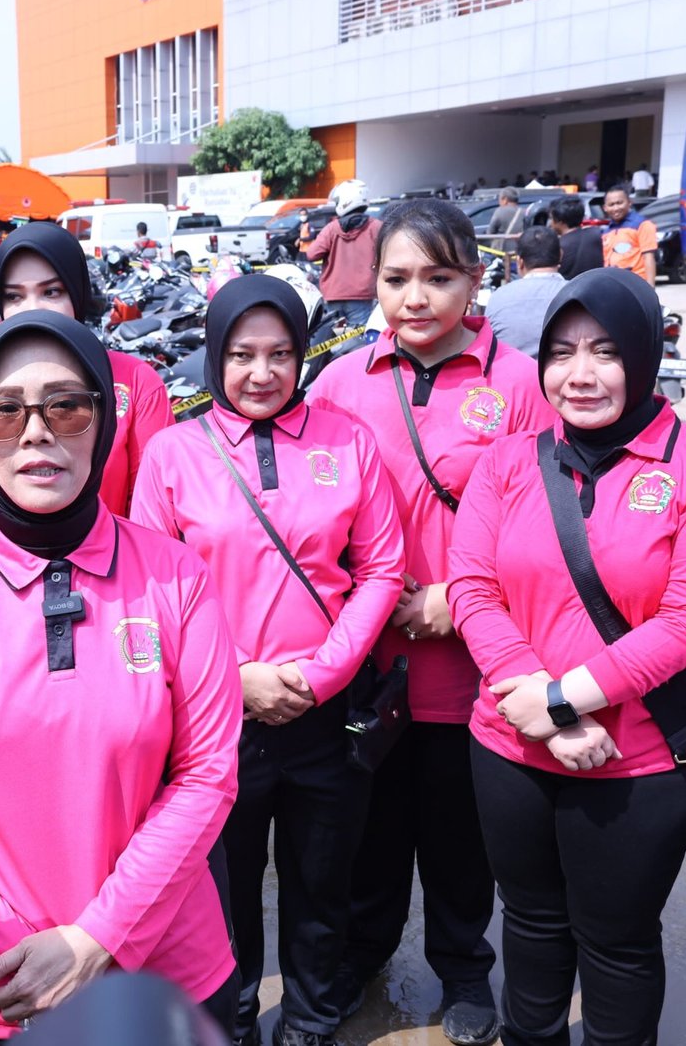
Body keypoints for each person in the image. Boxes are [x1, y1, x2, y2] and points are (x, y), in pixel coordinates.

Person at [0, 311, 242, 1043]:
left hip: (165, 980)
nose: (36, 432)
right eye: (4, 411)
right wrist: (18, 957)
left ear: (103, 421)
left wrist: (98, 940)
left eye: (65, 406)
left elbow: (207, 776)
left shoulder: (177, 578)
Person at [447, 268, 686, 1046]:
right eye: (561, 352)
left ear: (645, 355)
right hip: (511, 745)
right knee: (529, 921)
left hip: (640, 760)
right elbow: (473, 590)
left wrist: (566, 699)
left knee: (616, 944)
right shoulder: (507, 462)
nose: (579, 374)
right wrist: (542, 706)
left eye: (606, 351)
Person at [131, 275, 405, 1046]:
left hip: (328, 713)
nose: (262, 373)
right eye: (242, 355)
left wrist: (321, 676)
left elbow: (382, 569)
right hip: (215, 721)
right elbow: (149, 591)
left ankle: (311, 1021)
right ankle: (237, 1020)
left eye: (280, 354)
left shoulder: (347, 440)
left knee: (322, 885)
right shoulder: (173, 453)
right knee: (224, 892)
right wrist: (235, 679)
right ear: (214, 355)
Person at [309, 200, 554, 1046]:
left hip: (475, 666)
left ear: (476, 280)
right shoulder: (339, 383)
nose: (416, 298)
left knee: (460, 841)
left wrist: (459, 595)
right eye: (397, 278)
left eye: (439, 277)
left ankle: (463, 970)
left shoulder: (519, 384)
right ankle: (362, 955)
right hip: (368, 664)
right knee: (369, 834)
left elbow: (550, 520)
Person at [0, 222, 175, 534]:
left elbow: (152, 509)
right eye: (15, 296)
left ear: (77, 294)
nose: (32, 308)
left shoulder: (136, 380)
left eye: (51, 292)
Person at [485, 227, 567, 357]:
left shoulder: (498, 297)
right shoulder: (576, 293)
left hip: (510, 369)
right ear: (561, 255)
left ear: (519, 262)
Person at [308, 186, 382, 328]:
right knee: (357, 337)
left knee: (332, 336)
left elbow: (312, 253)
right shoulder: (376, 227)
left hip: (333, 293)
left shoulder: (331, 229)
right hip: (362, 294)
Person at [600, 184, 658, 286]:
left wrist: (650, 287)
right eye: (611, 205)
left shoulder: (643, 224)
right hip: (613, 284)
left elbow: (648, 257)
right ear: (605, 208)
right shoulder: (606, 231)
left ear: (629, 202)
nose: (616, 208)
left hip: (636, 284)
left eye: (619, 203)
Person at [549, 197, 603, 282]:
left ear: (559, 221)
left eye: (551, 218)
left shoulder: (557, 246)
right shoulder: (597, 234)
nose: (550, 223)